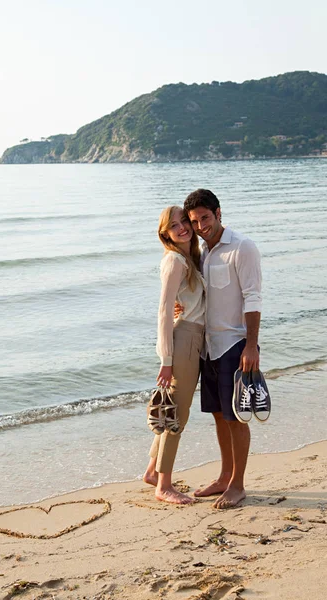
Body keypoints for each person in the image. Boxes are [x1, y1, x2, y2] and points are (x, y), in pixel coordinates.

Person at [181, 188, 262, 509]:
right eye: (194, 221)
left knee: (236, 417)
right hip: (208, 348)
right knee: (217, 414)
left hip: (234, 345)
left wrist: (252, 346)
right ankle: (225, 476)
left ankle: (238, 485)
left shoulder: (242, 247)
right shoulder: (203, 252)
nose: (201, 225)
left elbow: (253, 297)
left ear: (218, 213)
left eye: (205, 218)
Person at [143, 205, 206, 504]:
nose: (182, 227)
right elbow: (164, 311)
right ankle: (164, 487)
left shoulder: (188, 258)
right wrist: (166, 360)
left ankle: (153, 472)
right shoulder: (174, 261)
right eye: (174, 225)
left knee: (173, 411)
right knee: (178, 416)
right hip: (184, 342)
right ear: (164, 233)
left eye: (185, 221)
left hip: (193, 337)